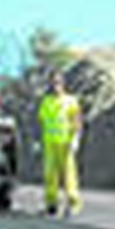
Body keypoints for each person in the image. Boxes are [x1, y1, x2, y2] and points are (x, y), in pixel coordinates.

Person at [37, 70, 83, 216]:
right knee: (50, 175)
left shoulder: (70, 101)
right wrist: (37, 140)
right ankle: (51, 204)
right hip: (50, 144)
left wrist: (75, 138)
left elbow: (77, 121)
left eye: (58, 82)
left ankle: (73, 204)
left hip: (66, 143)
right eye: (53, 83)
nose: (55, 85)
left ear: (63, 84)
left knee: (69, 175)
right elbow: (41, 122)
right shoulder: (46, 102)